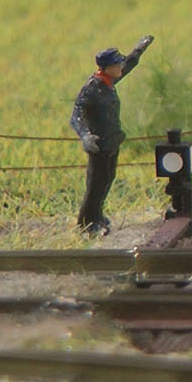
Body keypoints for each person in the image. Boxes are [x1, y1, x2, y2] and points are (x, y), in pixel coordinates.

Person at [70, 35, 154, 235]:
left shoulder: (109, 82)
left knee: (107, 178)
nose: (120, 67)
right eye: (117, 64)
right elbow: (77, 115)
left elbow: (129, 64)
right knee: (96, 184)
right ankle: (87, 222)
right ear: (106, 68)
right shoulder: (92, 89)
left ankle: (97, 215)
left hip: (112, 141)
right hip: (98, 144)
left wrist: (140, 49)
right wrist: (85, 136)